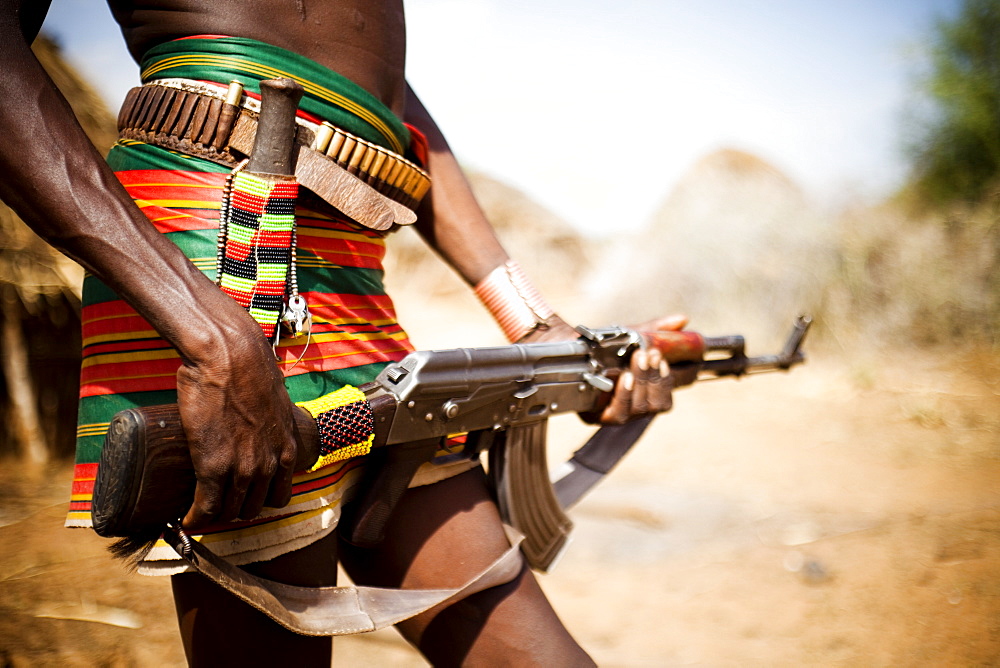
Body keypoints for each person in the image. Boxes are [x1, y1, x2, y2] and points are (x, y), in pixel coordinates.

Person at [0, 1, 686, 664]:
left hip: (358, 270)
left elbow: (385, 86)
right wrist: (212, 334)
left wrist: (531, 320)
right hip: (217, 258)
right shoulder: (213, 315)